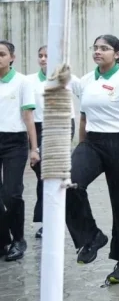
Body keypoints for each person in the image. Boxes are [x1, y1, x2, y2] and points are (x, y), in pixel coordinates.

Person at [66, 35, 119, 284]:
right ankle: (91, 236)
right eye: (95, 48)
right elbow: (83, 116)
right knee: (69, 182)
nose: (98, 52)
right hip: (93, 142)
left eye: (104, 48)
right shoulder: (87, 80)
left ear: (117, 54)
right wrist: (81, 146)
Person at [28, 45, 76, 240]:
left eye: (47, 56)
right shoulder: (29, 81)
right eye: (40, 55)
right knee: (41, 174)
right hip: (38, 127)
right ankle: (47, 218)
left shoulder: (68, 79)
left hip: (61, 124)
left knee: (49, 173)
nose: (43, 59)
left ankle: (51, 220)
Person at [0, 41, 39, 262]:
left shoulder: (22, 82)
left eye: (2, 54)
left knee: (11, 193)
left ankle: (18, 239)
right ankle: (2, 239)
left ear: (12, 58)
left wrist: (34, 148)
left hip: (14, 141)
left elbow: (28, 117)